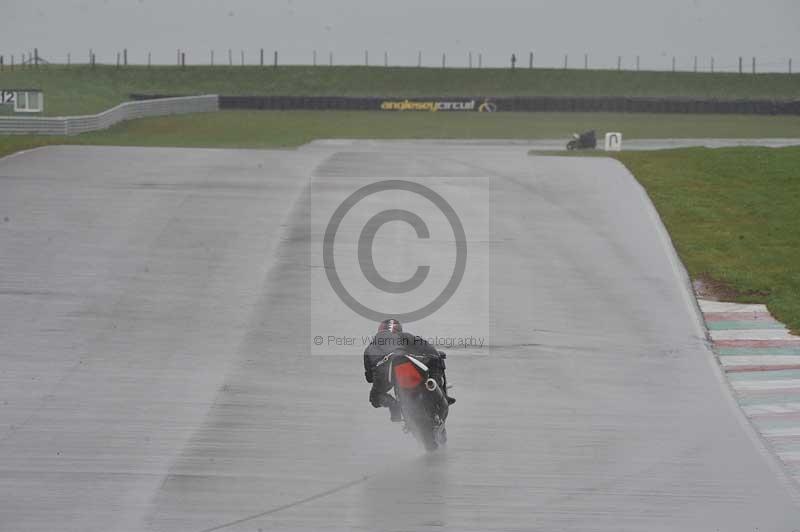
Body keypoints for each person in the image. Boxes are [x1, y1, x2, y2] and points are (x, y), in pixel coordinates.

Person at [363, 318, 455, 422]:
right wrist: (435, 357)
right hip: (402, 360)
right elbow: (428, 349)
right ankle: (438, 390)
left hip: (384, 372)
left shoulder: (369, 348)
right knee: (436, 358)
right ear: (398, 329)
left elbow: (369, 378)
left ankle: (393, 405)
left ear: (379, 330)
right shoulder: (403, 336)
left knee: (375, 397)